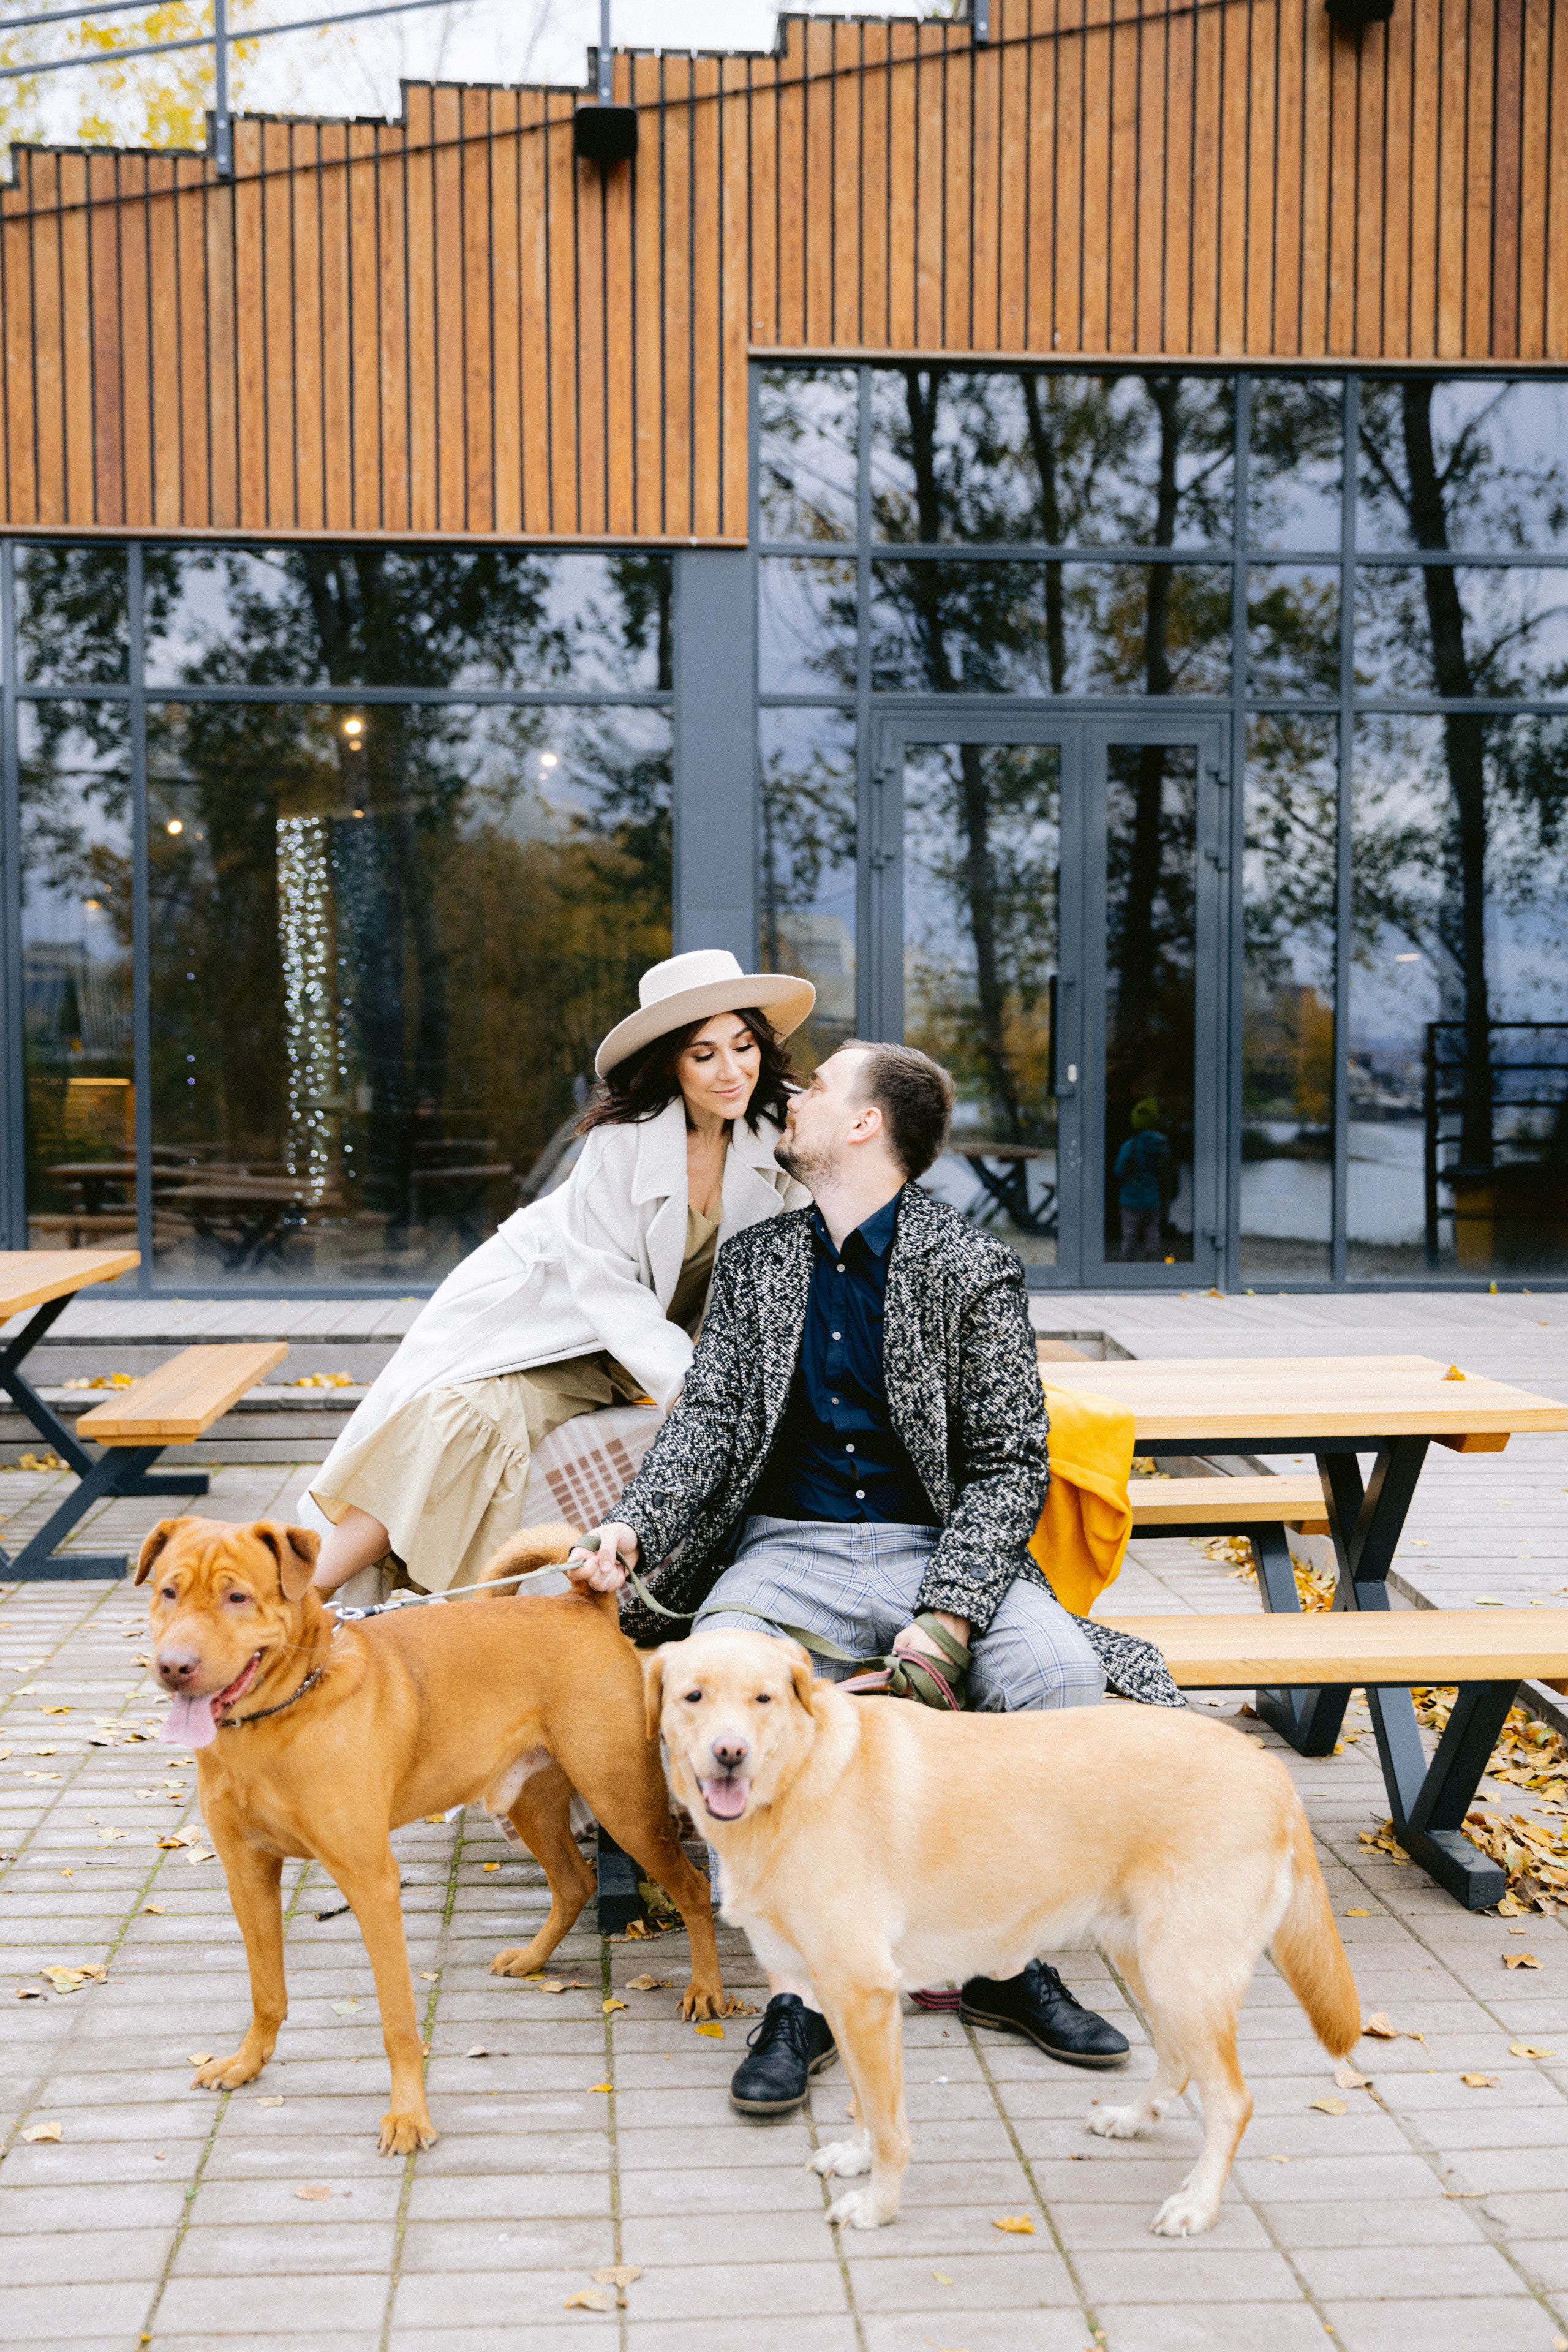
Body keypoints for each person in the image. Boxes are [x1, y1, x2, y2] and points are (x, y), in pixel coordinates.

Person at [567, 1039, 1182, 2117]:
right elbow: (705, 1423)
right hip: (788, 1551)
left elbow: (1009, 1463)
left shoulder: (972, 1267)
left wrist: (949, 1617)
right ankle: (797, 1993)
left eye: (814, 1089)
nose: (790, 1097)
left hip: (938, 1551)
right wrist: (631, 1527)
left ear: (864, 1125)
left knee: (1060, 1679)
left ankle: (1004, 1964)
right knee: (724, 1686)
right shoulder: (758, 1263)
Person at [300, 950, 815, 1600]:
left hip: (641, 1345)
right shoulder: (623, 1139)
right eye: (704, 1054)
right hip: (548, 1314)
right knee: (456, 1417)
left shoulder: (783, 1131)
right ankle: (305, 1596)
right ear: (669, 1063)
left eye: (744, 1045)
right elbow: (605, 1287)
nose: (732, 1070)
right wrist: (693, 1388)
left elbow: (797, 1259)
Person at [1114, 1096, 1174, 1263]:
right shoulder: (1162, 1146)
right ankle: (1152, 1266)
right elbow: (1166, 1169)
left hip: (1131, 1199)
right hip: (1153, 1199)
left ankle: (1127, 1268)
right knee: (1152, 1235)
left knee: (1129, 1236)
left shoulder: (1130, 1146)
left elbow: (1118, 1170)